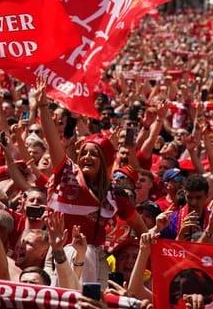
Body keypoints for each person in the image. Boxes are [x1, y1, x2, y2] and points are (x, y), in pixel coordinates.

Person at [35, 78, 147, 289]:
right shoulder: (65, 173)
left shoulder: (116, 196)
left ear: (104, 162)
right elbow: (52, 141)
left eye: (93, 154)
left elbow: (141, 229)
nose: (86, 157)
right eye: (83, 153)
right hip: (59, 253)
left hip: (95, 260)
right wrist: (42, 106)